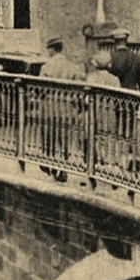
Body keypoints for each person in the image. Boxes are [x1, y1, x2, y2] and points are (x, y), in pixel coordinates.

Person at [37, 38, 84, 181]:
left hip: (50, 108)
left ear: (52, 49)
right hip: (67, 109)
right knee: (64, 139)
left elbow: (40, 89)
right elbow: (78, 90)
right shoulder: (73, 67)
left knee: (49, 137)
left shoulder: (46, 67)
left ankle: (50, 165)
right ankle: (63, 168)